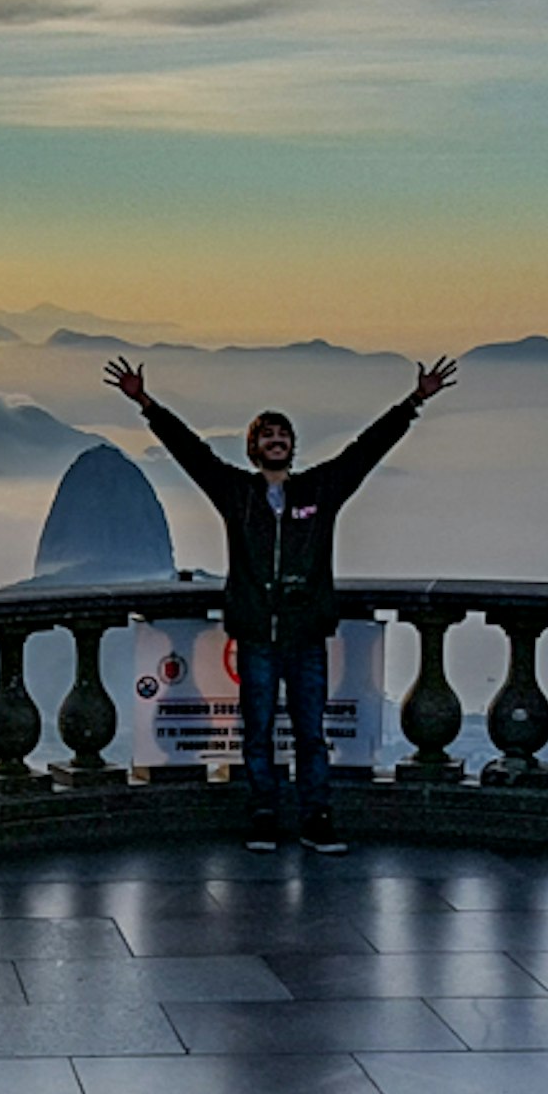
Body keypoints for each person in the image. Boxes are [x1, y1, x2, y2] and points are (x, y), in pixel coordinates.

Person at [106, 352, 457, 852]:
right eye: (267, 435)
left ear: (292, 446)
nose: (277, 441)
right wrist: (145, 403)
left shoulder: (320, 489)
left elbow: (366, 450)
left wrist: (415, 401)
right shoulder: (236, 493)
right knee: (258, 733)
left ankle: (316, 817)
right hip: (255, 637)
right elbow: (190, 452)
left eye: (283, 435)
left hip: (306, 635)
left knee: (312, 734)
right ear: (254, 448)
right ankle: (264, 814)